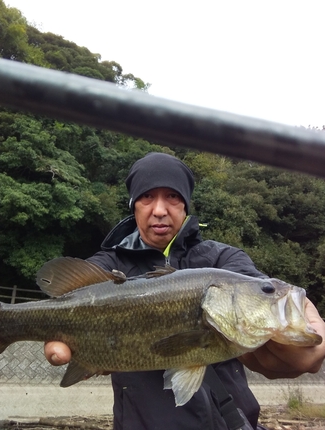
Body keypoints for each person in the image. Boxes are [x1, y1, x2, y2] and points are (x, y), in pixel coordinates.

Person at [44, 152, 325, 430]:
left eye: (173, 196)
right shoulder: (109, 266)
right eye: (146, 197)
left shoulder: (223, 261)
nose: (159, 209)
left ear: (186, 205)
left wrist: (307, 321)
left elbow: (257, 285)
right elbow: (71, 298)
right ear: (134, 206)